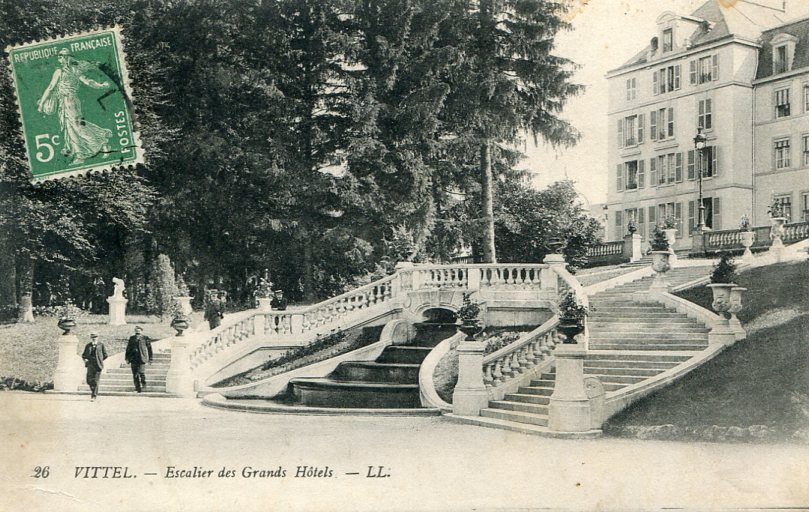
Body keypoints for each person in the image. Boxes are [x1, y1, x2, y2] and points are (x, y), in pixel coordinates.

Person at [37, 48, 113, 164]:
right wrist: (101, 85)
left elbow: (51, 87)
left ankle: (100, 143)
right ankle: (81, 153)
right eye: (59, 56)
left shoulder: (60, 71)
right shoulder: (75, 70)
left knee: (76, 126)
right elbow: (88, 81)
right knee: (73, 125)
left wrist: (42, 103)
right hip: (71, 101)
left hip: (68, 101)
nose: (60, 58)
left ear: (67, 57)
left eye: (61, 56)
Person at [125, 326, 152, 393]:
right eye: (136, 331)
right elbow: (128, 349)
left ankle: (144, 384)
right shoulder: (132, 338)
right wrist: (127, 358)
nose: (138, 332)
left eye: (139, 331)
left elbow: (149, 349)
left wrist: (150, 359)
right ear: (135, 331)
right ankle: (137, 388)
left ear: (141, 331)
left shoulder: (145, 338)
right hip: (133, 359)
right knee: (135, 374)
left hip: (142, 358)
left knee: (141, 372)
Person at [81, 333, 108, 402]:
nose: (94, 338)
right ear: (91, 338)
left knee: (96, 381)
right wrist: (85, 359)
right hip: (90, 365)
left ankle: (94, 395)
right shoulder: (88, 346)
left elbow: (105, 355)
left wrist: (99, 360)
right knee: (89, 380)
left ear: (98, 337)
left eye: (95, 337)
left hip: (98, 366)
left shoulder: (101, 345)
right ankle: (93, 391)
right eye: (92, 337)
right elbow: (84, 355)